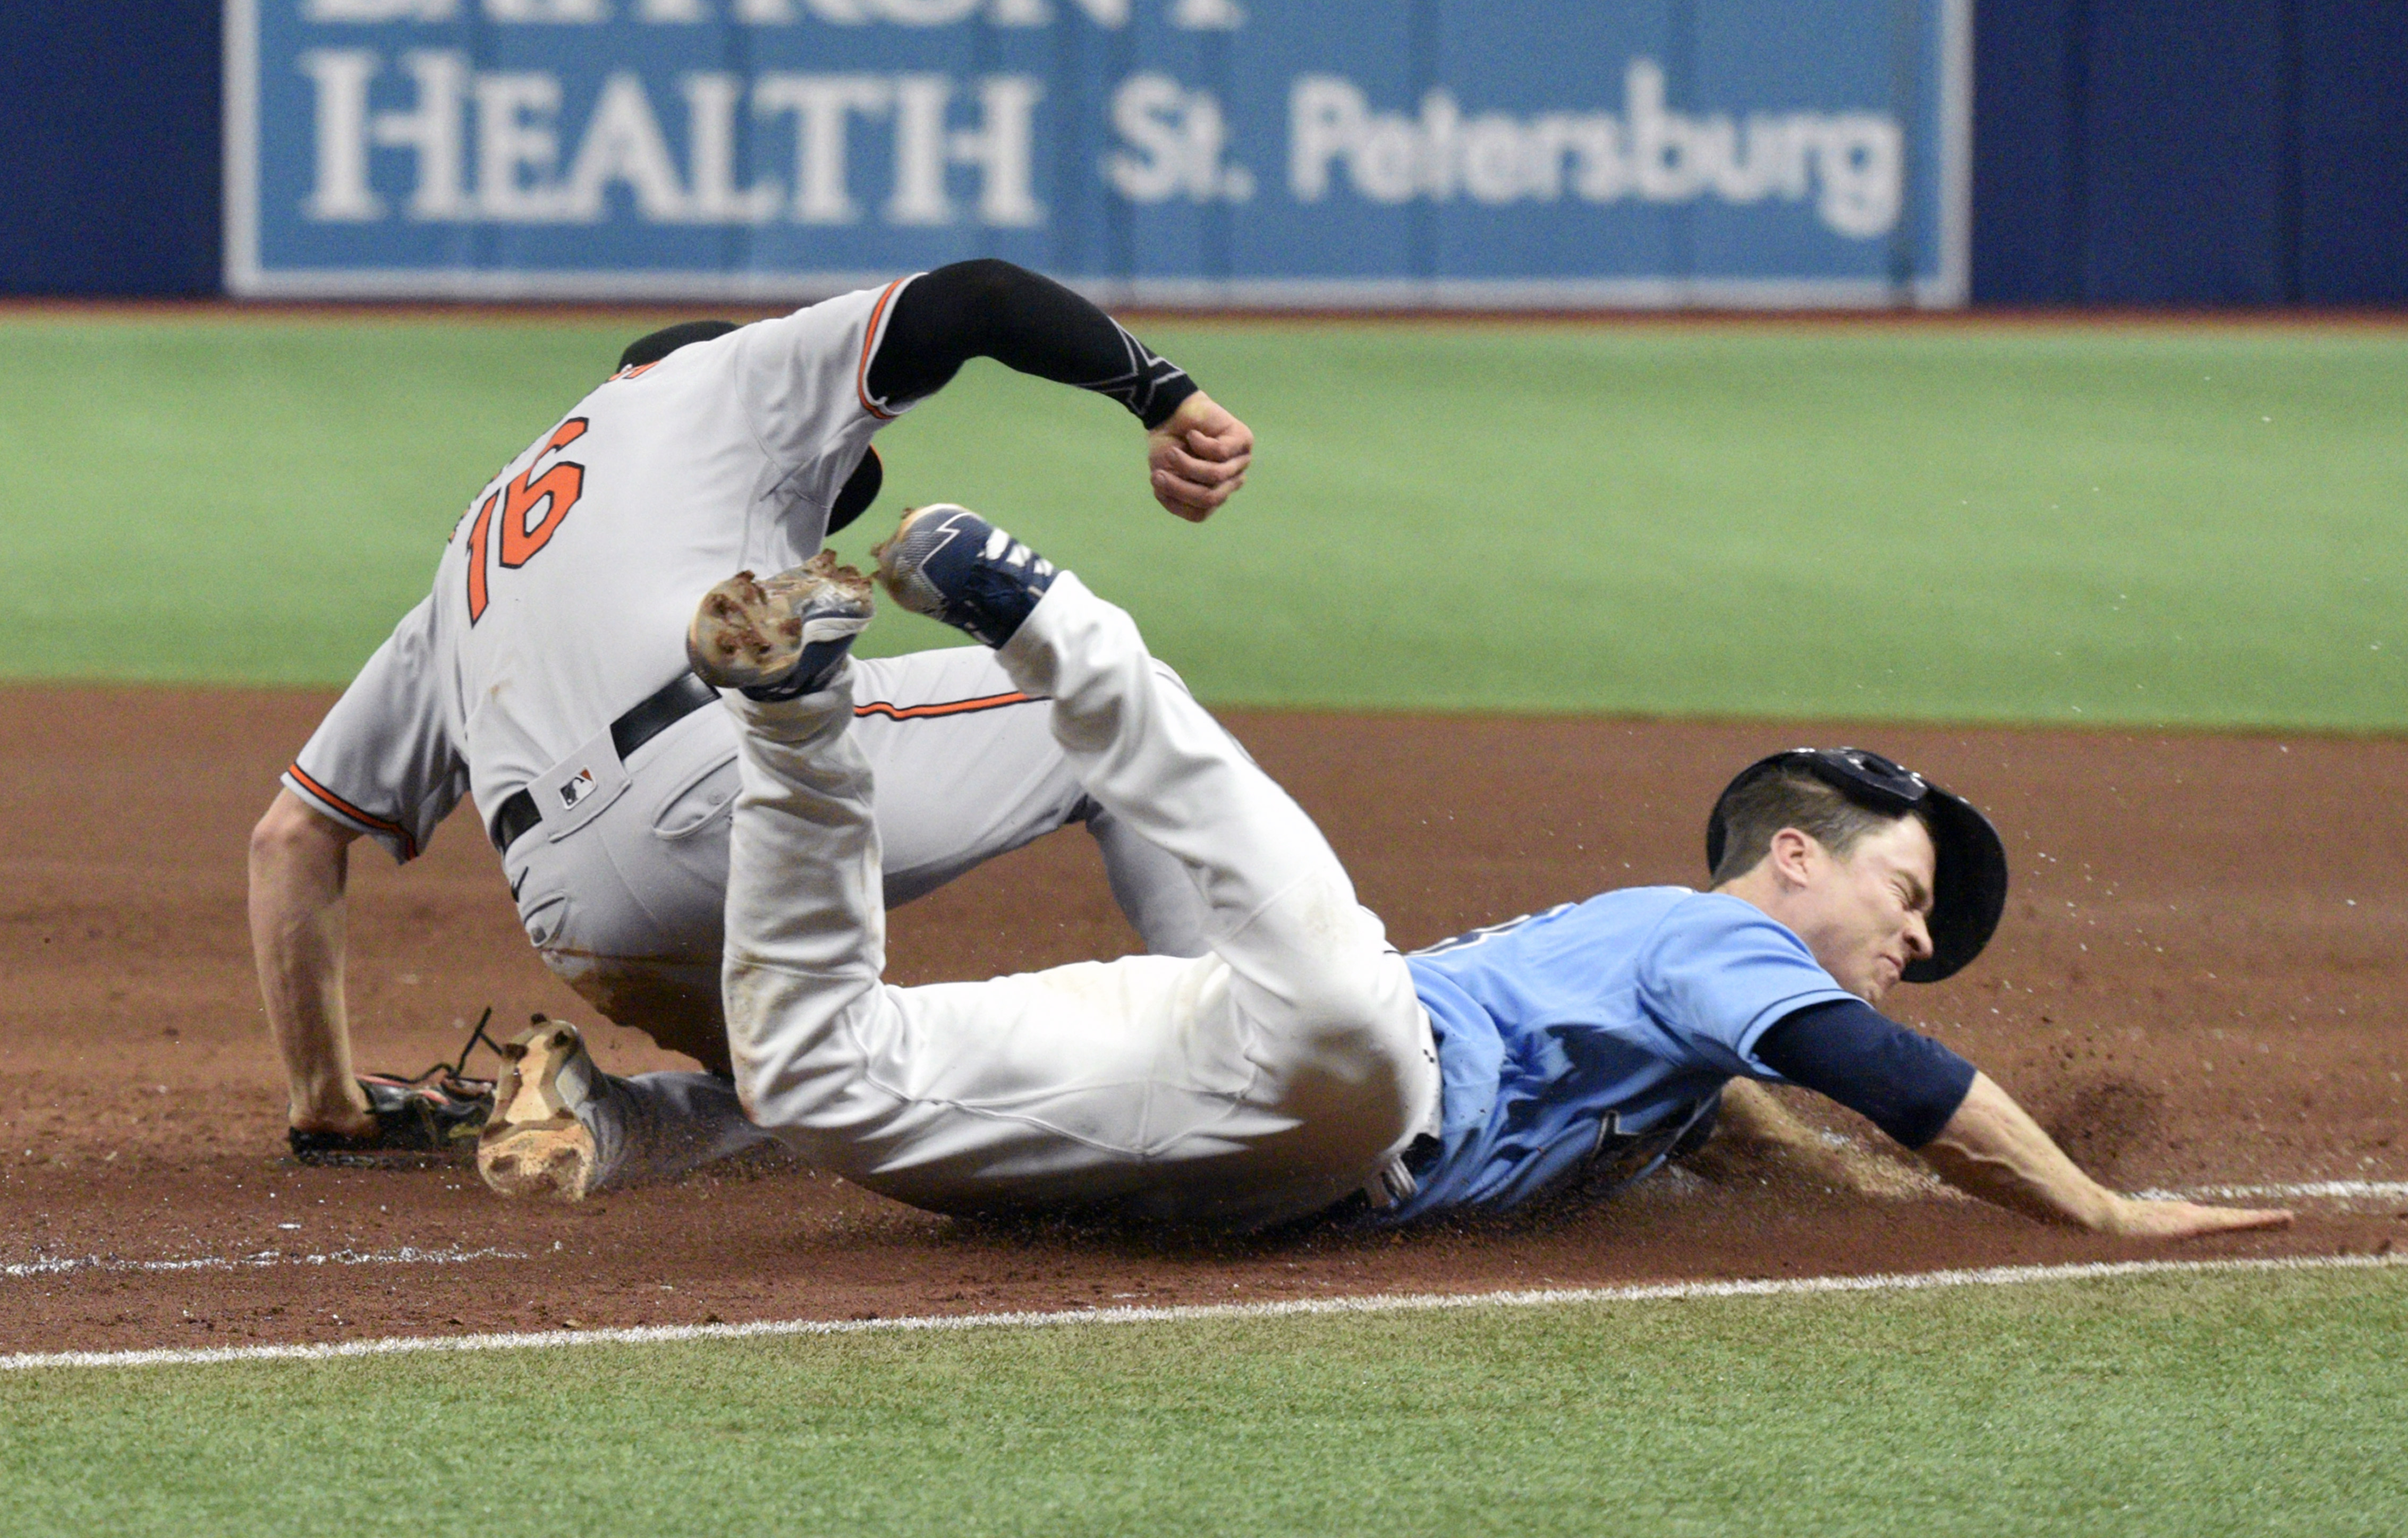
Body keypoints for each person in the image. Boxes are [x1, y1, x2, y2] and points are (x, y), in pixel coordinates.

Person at [482, 503, 2293, 1241]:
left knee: (825, 1068)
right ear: (1795, 860)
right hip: (1356, 1067)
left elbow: (1747, 1122)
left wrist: (1878, 1210)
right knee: (1243, 849)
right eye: (1904, 897)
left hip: (1242, 1141)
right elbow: (1892, 1082)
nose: (1915, 938)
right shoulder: (1714, 938)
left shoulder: (1671, 1004)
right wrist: (2101, 1214)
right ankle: (1041, 608)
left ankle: (800, 713)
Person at [248, 262, 1252, 1190]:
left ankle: (606, 1120)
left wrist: (328, 1104)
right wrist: (1165, 398)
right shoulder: (717, 377)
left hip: (574, 913)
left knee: (815, 1073)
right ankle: (1260, 1050)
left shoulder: (475, 555)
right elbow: (975, 298)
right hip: (708, 782)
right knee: (1109, 692)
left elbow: (291, 837)